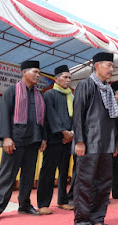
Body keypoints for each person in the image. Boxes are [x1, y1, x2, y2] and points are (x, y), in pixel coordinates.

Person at [0, 60, 47, 222]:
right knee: (7, 176)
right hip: (15, 141)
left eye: (39, 73)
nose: (38, 75)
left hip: (33, 141)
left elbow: (43, 119)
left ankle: (24, 205)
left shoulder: (39, 95)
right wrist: (6, 137)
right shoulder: (12, 91)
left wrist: (43, 138)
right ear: (24, 72)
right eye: (35, 72)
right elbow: (4, 115)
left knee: (28, 176)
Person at [73, 52, 118, 225]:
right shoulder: (85, 85)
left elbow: (114, 120)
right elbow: (77, 115)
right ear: (97, 65)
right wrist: (79, 141)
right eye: (108, 65)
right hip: (89, 143)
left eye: (112, 66)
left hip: (106, 144)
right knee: (85, 183)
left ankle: (97, 217)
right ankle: (82, 220)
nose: (111, 69)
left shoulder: (108, 89)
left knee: (104, 184)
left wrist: (114, 143)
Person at [37, 65, 74, 215]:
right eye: (65, 77)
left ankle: (62, 201)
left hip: (68, 140)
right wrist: (63, 132)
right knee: (48, 172)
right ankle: (43, 203)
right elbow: (50, 117)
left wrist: (71, 133)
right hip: (53, 139)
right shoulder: (49, 94)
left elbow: (75, 117)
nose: (68, 80)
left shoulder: (71, 96)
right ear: (56, 79)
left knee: (64, 172)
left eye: (69, 77)